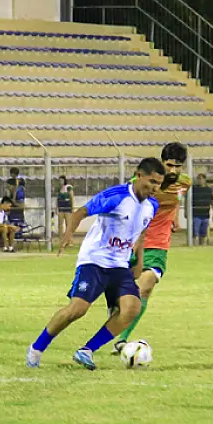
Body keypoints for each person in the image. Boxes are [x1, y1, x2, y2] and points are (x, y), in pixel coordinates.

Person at [26, 158, 165, 370]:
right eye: (152, 182)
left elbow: (142, 232)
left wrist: (139, 262)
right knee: (77, 309)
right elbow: (80, 212)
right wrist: (68, 234)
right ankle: (36, 349)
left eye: (158, 184)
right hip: (94, 260)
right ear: (138, 174)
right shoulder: (116, 196)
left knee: (132, 308)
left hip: (119, 265)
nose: (155, 188)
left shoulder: (151, 205)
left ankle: (87, 350)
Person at [112, 142, 190, 352]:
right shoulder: (144, 182)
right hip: (133, 241)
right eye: (169, 165)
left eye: (178, 166)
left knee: (144, 289)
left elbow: (177, 198)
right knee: (119, 291)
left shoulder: (184, 183)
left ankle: (122, 339)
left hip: (158, 246)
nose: (173, 170)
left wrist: (173, 217)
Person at [190, 173, 213, 246]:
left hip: (205, 215)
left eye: (201, 179)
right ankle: (194, 245)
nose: (200, 180)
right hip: (196, 214)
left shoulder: (208, 190)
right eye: (198, 178)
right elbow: (187, 199)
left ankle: (201, 246)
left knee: (203, 233)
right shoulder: (193, 189)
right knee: (195, 233)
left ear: (205, 180)